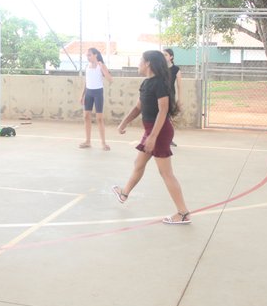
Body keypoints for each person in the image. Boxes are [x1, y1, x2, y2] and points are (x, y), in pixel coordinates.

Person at [113, 50, 191, 225]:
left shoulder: (159, 84)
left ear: (148, 63)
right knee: (138, 164)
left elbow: (163, 110)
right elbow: (138, 108)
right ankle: (124, 193)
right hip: (151, 131)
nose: (138, 63)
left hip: (160, 132)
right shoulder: (146, 83)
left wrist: (153, 136)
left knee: (166, 173)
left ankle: (183, 213)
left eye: (140, 60)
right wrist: (123, 122)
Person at [79, 47, 113, 150]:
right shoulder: (87, 66)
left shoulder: (101, 66)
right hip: (88, 93)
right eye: (87, 55)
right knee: (86, 116)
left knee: (99, 118)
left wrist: (103, 68)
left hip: (98, 93)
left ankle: (103, 143)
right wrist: (82, 95)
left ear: (95, 55)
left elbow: (110, 79)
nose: (88, 57)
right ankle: (88, 141)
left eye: (89, 55)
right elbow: (87, 81)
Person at [163, 48, 182, 146]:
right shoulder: (160, 68)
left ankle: (169, 139)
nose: (163, 56)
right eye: (162, 54)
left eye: (165, 55)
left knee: (169, 118)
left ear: (171, 57)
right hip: (160, 96)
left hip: (170, 97)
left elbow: (179, 86)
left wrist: (179, 99)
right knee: (159, 117)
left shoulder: (176, 69)